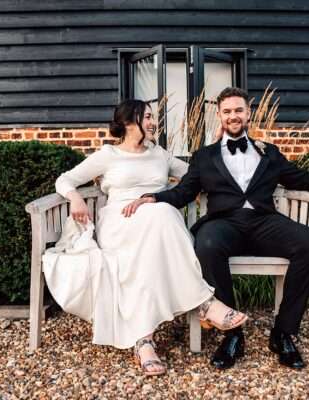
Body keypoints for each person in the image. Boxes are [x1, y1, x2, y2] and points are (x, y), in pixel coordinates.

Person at [125, 87, 309, 370]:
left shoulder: (269, 152)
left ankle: (283, 333)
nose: (233, 116)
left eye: (238, 110)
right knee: (206, 245)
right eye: (227, 111)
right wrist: (152, 198)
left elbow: (300, 178)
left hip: (265, 222)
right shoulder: (204, 156)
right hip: (223, 224)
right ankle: (232, 335)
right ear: (219, 116)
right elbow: (184, 192)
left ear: (248, 113)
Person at [54, 99, 247, 376]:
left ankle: (143, 341)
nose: (153, 122)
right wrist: (75, 199)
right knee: (163, 215)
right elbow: (65, 180)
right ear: (129, 122)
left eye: (152, 117)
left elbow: (197, 174)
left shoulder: (160, 154)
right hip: (120, 221)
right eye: (147, 117)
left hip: (156, 221)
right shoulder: (109, 155)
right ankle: (204, 303)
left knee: (159, 221)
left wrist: (216, 147)